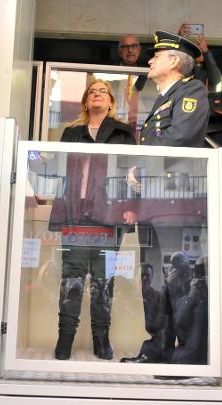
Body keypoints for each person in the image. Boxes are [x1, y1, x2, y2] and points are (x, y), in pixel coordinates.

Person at [120, 31, 210, 366]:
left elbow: (181, 137)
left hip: (178, 204)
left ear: (174, 61)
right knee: (153, 282)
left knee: (182, 281)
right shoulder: (162, 98)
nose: (149, 60)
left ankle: (188, 356)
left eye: (156, 56)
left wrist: (141, 165)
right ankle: (158, 348)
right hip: (154, 206)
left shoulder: (191, 92)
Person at [48, 79, 135, 361]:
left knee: (103, 281)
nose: (97, 95)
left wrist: (130, 209)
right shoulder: (71, 133)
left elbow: (133, 176)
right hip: (75, 212)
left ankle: (101, 339)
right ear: (86, 101)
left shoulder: (123, 133)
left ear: (111, 102)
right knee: (71, 279)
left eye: (103, 92)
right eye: (92, 92)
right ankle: (65, 341)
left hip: (108, 217)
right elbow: (59, 171)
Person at [177, 25, 222, 147]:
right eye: (195, 49)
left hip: (215, 125)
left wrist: (206, 51)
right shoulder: (188, 70)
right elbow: (179, 68)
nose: (198, 51)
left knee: (217, 162)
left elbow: (216, 80)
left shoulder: (208, 69)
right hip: (193, 123)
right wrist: (181, 41)